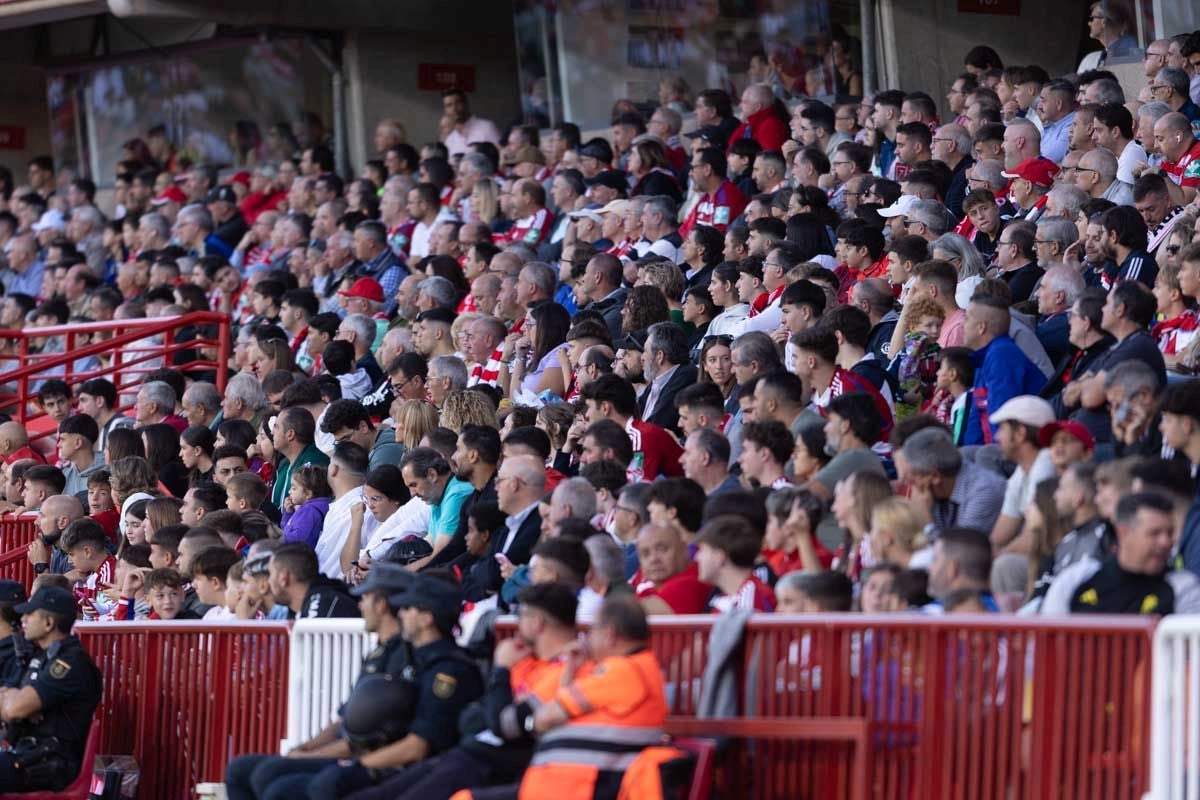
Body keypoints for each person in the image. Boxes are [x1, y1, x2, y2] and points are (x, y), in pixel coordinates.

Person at [225, 564, 418, 800]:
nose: (359, 605)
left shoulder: (406, 657)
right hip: (345, 749)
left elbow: (366, 739)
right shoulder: (378, 653)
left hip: (370, 760)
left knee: (272, 778)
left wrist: (310, 756)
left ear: (382, 605)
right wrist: (306, 747)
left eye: (365, 597)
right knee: (240, 768)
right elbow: (344, 718)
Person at [0, 585, 102, 792]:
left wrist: (15, 701)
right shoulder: (42, 656)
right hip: (26, 754)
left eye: (30, 614)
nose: (23, 620)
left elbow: (13, 709)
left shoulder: (70, 662)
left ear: (48, 623)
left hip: (50, 765)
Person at [1042, 492, 1200, 614]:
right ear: (1123, 533)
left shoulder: (1185, 588)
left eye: (1170, 533)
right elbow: (1047, 642)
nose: (1166, 542)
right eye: (1155, 533)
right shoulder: (1074, 580)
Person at [695, 514, 775, 612]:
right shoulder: (725, 600)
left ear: (720, 557)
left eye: (702, 550)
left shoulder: (750, 598)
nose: (697, 557)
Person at [268, 542, 359, 619]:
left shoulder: (323, 606)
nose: (269, 581)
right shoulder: (296, 610)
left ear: (283, 577)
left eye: (271, 574)